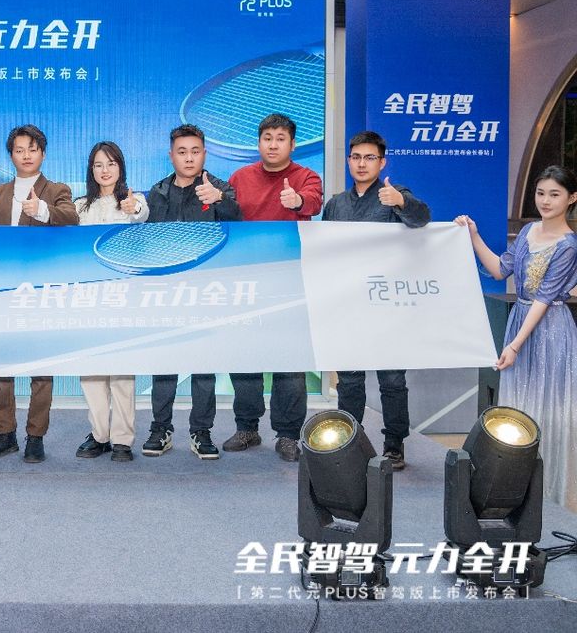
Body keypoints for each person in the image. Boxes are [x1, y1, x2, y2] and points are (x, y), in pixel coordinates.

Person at [457, 165, 577, 512]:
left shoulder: (568, 245)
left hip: (550, 330)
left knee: (547, 407)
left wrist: (514, 344)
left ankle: (547, 495)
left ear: (572, 198)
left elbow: (545, 298)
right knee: (518, 407)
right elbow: (500, 269)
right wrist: (474, 236)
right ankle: (514, 491)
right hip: (520, 323)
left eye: (554, 194)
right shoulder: (527, 232)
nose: (546, 201)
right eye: (540, 193)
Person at [324, 131, 431, 470]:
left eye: (369, 158)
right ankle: (349, 440)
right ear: (348, 160)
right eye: (356, 157)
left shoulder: (393, 195)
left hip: (387, 305)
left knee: (392, 381)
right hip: (348, 304)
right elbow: (323, 251)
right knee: (350, 380)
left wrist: (400, 202)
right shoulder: (335, 204)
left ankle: (394, 444)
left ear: (382, 162)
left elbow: (422, 218)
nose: (362, 164)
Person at [227, 113, 323, 462]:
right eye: (267, 138)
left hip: (289, 282)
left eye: (280, 138)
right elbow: (225, 218)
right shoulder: (240, 177)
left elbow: (313, 202)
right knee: (245, 357)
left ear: (292, 144)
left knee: (290, 361)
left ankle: (287, 434)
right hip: (247, 280)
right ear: (259, 142)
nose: (273, 144)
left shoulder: (306, 177)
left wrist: (297, 201)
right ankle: (247, 427)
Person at [142, 124, 242, 461]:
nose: (189, 158)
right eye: (182, 152)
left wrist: (220, 201)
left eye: (195, 151)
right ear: (171, 155)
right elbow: (146, 240)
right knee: (164, 362)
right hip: (166, 291)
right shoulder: (156, 192)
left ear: (204, 154)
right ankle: (161, 428)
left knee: (204, 364)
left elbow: (239, 223)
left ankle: (202, 431)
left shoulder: (220, 188)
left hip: (206, 290)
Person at [0, 124, 79, 463]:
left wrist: (41, 210)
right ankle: (5, 434)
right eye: (19, 150)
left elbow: (71, 218)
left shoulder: (57, 189)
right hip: (3, 289)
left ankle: (35, 436)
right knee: (1, 366)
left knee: (42, 368)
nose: (26, 155)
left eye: (32, 149)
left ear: (43, 154)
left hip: (41, 291)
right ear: (10, 155)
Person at [74, 141, 148, 463]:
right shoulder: (80, 207)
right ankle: (99, 435)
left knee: (121, 372)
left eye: (111, 164)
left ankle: (122, 439)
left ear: (121, 168)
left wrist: (133, 209)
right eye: (98, 165)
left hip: (123, 297)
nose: (105, 170)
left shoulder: (135, 200)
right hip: (89, 297)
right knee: (91, 371)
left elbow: (141, 215)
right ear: (91, 170)